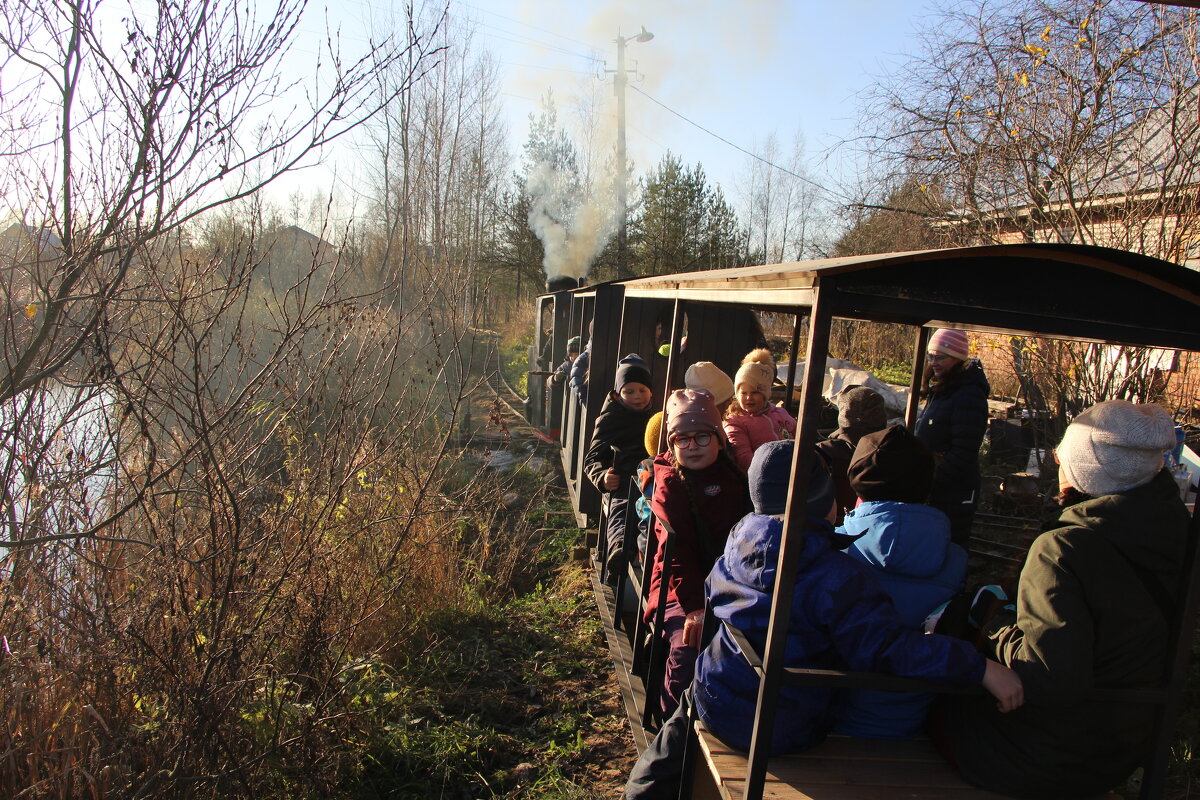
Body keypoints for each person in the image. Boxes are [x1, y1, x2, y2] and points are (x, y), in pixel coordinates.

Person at [624, 440, 1023, 800]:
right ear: (822, 499)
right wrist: (977, 666)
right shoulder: (835, 574)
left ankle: (642, 790)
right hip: (786, 725)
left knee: (682, 719)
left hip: (717, 697)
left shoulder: (739, 540)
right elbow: (886, 649)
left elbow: (714, 593)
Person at [939, 400, 1188, 798]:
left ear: (1088, 468)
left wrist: (996, 625)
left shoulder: (1062, 548)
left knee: (939, 703)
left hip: (1046, 756)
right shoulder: (1178, 530)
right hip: (1123, 748)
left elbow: (1049, 679)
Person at [834, 424, 968, 739]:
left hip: (830, 716)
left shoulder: (832, 549)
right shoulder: (956, 560)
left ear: (857, 486)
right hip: (913, 721)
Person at [645, 389, 748, 716]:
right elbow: (677, 554)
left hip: (728, 581)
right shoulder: (671, 482)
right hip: (679, 588)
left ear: (719, 438)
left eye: (702, 437)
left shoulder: (733, 475)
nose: (692, 447)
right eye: (682, 439)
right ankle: (671, 723)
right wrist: (694, 608)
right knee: (690, 646)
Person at [914, 329, 989, 547]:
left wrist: (931, 479)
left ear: (958, 358)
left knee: (948, 546)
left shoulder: (968, 395)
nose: (933, 362)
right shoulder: (944, 390)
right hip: (938, 487)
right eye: (931, 356)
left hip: (953, 492)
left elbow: (964, 450)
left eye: (940, 357)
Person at [583, 354, 654, 578]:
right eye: (629, 391)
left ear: (651, 392)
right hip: (622, 477)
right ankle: (620, 549)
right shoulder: (610, 418)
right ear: (617, 394)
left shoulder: (655, 417)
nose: (637, 397)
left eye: (642, 390)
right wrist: (602, 477)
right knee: (623, 507)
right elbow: (592, 458)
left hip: (649, 475)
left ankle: (651, 554)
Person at [816, 386, 889, 523]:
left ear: (843, 414)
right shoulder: (895, 453)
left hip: (831, 529)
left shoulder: (823, 452)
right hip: (879, 526)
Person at [724, 348, 797, 472]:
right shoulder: (735, 422)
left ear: (765, 393)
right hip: (764, 477)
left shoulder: (780, 413)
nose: (749, 397)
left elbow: (798, 439)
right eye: (743, 393)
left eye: (755, 392)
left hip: (792, 471)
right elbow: (743, 458)